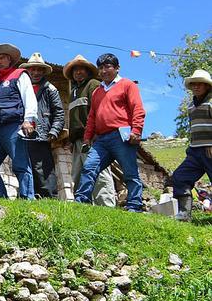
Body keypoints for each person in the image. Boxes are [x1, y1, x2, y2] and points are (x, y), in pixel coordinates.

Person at [75, 53, 146, 212]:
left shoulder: (127, 85)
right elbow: (92, 116)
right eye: (100, 67)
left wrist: (136, 130)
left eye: (107, 66)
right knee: (89, 167)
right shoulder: (97, 92)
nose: (104, 71)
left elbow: (138, 108)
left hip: (122, 135)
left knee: (129, 172)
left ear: (117, 68)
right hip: (101, 139)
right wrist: (87, 137)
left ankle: (134, 205)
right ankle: (81, 200)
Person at [0, 43, 37, 200]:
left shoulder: (19, 74)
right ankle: (0, 200)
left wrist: (28, 120)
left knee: (20, 164)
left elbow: (29, 97)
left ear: (9, 59)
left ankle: (27, 199)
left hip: (13, 126)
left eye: (2, 58)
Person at [64, 55, 116, 206]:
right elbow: (74, 119)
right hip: (78, 140)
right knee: (78, 173)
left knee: (98, 172)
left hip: (93, 137)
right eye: (75, 70)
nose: (78, 73)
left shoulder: (93, 85)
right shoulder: (73, 91)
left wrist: (95, 133)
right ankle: (83, 206)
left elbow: (100, 110)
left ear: (88, 71)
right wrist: (72, 140)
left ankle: (106, 205)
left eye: (81, 69)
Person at [169, 69, 212, 220]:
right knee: (180, 177)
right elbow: (194, 129)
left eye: (200, 84)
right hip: (195, 151)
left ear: (207, 86)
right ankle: (184, 213)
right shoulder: (191, 107)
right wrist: (191, 148)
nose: (196, 86)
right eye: (193, 84)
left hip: (210, 149)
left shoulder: (211, 103)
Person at [20, 53, 64, 199]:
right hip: (22, 133)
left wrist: (54, 130)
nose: (36, 73)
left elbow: (59, 112)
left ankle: (49, 197)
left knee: (42, 167)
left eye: (39, 70)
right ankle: (27, 196)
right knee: (24, 165)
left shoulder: (50, 89)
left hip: (41, 133)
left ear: (44, 72)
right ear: (28, 71)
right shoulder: (21, 88)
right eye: (33, 69)